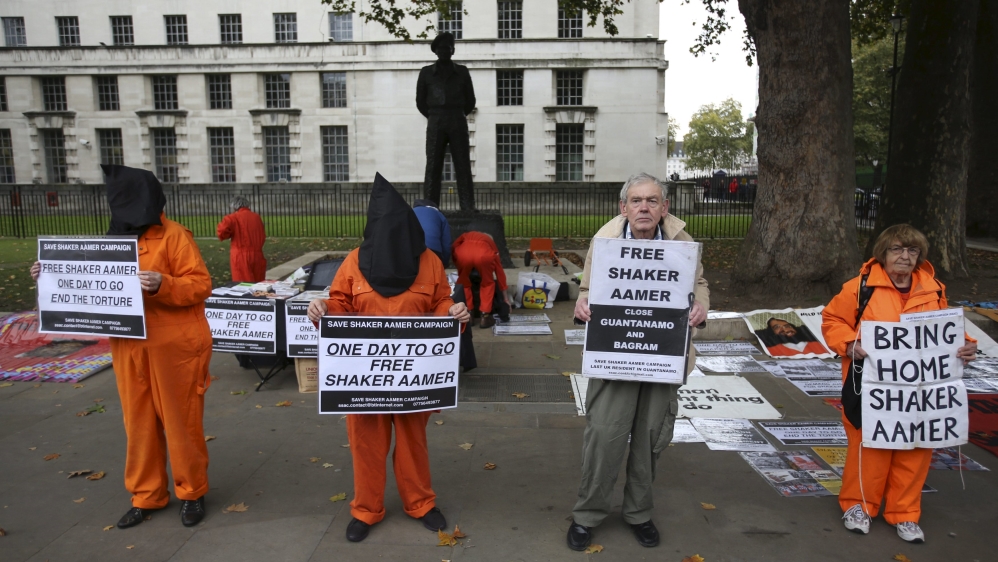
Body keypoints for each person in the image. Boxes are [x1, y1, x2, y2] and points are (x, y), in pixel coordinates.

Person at [31, 165, 214, 528]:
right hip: (130, 345)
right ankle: (147, 494)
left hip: (174, 344)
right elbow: (85, 289)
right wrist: (48, 274)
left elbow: (201, 284)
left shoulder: (175, 236)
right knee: (139, 423)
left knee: (180, 422)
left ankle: (192, 491)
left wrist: (163, 283)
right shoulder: (112, 243)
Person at [306, 173, 470, 543]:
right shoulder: (353, 261)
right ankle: (366, 509)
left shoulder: (428, 262)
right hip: (365, 377)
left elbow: (441, 300)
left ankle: (421, 504)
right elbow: (340, 302)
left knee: (413, 441)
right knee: (366, 443)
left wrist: (453, 311)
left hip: (413, 375)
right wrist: (323, 308)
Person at [568, 172, 709, 551]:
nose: (643, 207)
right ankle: (587, 516)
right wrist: (582, 304)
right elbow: (587, 288)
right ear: (623, 207)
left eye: (651, 201)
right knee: (604, 436)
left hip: (663, 357)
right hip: (616, 357)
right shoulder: (605, 242)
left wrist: (700, 307)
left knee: (651, 438)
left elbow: (699, 285)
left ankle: (639, 513)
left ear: (664, 207)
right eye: (636, 201)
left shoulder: (684, 243)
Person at [822, 224, 977, 544]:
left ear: (920, 256)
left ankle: (904, 513)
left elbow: (945, 328)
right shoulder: (860, 286)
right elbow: (832, 320)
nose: (905, 257)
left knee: (916, 447)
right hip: (871, 385)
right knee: (869, 446)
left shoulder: (933, 288)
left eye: (912, 251)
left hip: (921, 389)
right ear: (883, 252)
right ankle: (858, 506)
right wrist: (849, 344)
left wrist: (966, 344)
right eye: (897, 249)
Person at [416, 32, 477, 211]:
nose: (444, 51)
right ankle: (430, 207)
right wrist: (434, 116)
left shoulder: (462, 72)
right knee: (433, 165)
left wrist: (456, 114)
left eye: (448, 49)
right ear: (436, 51)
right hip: (435, 119)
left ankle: (467, 206)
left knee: (463, 164)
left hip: (457, 118)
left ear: (453, 51)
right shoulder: (426, 73)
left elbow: (471, 100)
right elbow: (420, 102)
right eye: (441, 49)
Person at [451, 231, 509, 329]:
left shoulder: (466, 235)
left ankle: (469, 314)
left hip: (463, 254)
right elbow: (500, 272)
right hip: (484, 256)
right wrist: (506, 298)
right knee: (488, 283)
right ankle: (485, 316)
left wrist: (459, 265)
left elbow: (454, 246)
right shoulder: (490, 242)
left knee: (464, 283)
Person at [216, 196, 267, 282]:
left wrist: (229, 234)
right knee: (258, 284)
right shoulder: (256, 217)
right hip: (258, 254)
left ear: (234, 206)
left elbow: (222, 231)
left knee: (242, 286)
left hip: (240, 255)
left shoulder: (232, 218)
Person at [756, 317, 829, 356]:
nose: (784, 329)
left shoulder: (819, 344)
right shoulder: (772, 349)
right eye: (777, 327)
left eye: (787, 326)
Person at [412, 198, 451, 267]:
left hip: (413, 249)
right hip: (433, 250)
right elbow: (446, 243)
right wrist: (444, 262)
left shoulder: (410, 212)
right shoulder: (439, 215)